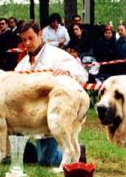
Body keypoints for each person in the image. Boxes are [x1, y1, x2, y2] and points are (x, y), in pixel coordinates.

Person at [15, 20, 88, 167]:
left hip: (53, 115)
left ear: (40, 34)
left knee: (46, 161)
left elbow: (82, 74)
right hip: (31, 116)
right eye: (24, 40)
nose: (27, 43)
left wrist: (67, 72)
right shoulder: (23, 64)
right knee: (12, 131)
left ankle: (77, 150)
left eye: (31, 38)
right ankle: (26, 152)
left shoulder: (56, 55)